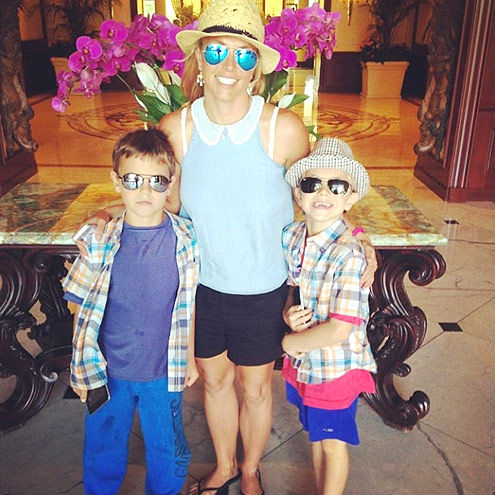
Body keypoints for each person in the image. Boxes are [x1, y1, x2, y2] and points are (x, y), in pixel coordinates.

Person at [85, 1, 377, 494]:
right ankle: (224, 466)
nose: (228, 66)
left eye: (243, 55)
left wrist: (362, 239)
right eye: (217, 51)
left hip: (264, 289)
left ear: (257, 68)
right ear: (199, 56)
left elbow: (320, 199)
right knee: (216, 383)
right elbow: (162, 201)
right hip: (201, 288)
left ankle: (251, 469)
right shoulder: (176, 129)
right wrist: (111, 212)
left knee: (257, 387)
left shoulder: (283, 128)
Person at [62, 128, 199, 495]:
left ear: (171, 183)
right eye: (133, 180)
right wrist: (81, 366)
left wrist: (189, 357)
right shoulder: (100, 239)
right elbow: (79, 305)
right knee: (103, 445)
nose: (145, 192)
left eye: (157, 181)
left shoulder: (185, 239)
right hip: (109, 371)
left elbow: (188, 303)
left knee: (167, 447)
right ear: (116, 182)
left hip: (164, 370)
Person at [281, 137, 377, 495]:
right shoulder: (293, 236)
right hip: (309, 363)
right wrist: (289, 314)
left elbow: (339, 330)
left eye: (336, 186)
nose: (323, 192)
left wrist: (289, 341)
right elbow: (294, 286)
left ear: (350, 198)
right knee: (318, 436)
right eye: (312, 183)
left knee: (333, 444)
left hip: (335, 368)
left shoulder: (348, 256)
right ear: (299, 194)